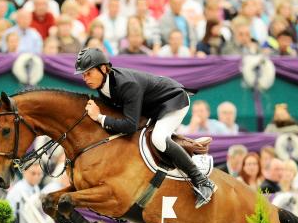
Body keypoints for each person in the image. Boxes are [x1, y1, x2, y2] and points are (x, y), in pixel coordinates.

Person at [75, 47, 216, 208]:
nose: (85, 78)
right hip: (151, 107)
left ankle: (202, 181)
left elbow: (129, 125)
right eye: (83, 74)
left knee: (158, 139)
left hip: (173, 101)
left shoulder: (126, 84)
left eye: (88, 73)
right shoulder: (103, 84)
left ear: (103, 68)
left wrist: (100, 118)